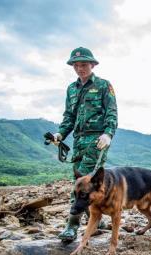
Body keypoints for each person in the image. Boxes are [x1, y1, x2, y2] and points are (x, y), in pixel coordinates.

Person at [54, 47, 118, 242]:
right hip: (78, 141)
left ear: (92, 64)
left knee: (82, 182)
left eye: (83, 64)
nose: (80, 68)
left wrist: (108, 134)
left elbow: (112, 112)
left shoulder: (103, 85)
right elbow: (69, 116)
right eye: (76, 65)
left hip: (97, 141)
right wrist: (60, 134)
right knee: (88, 182)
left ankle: (71, 226)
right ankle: (97, 217)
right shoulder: (72, 89)